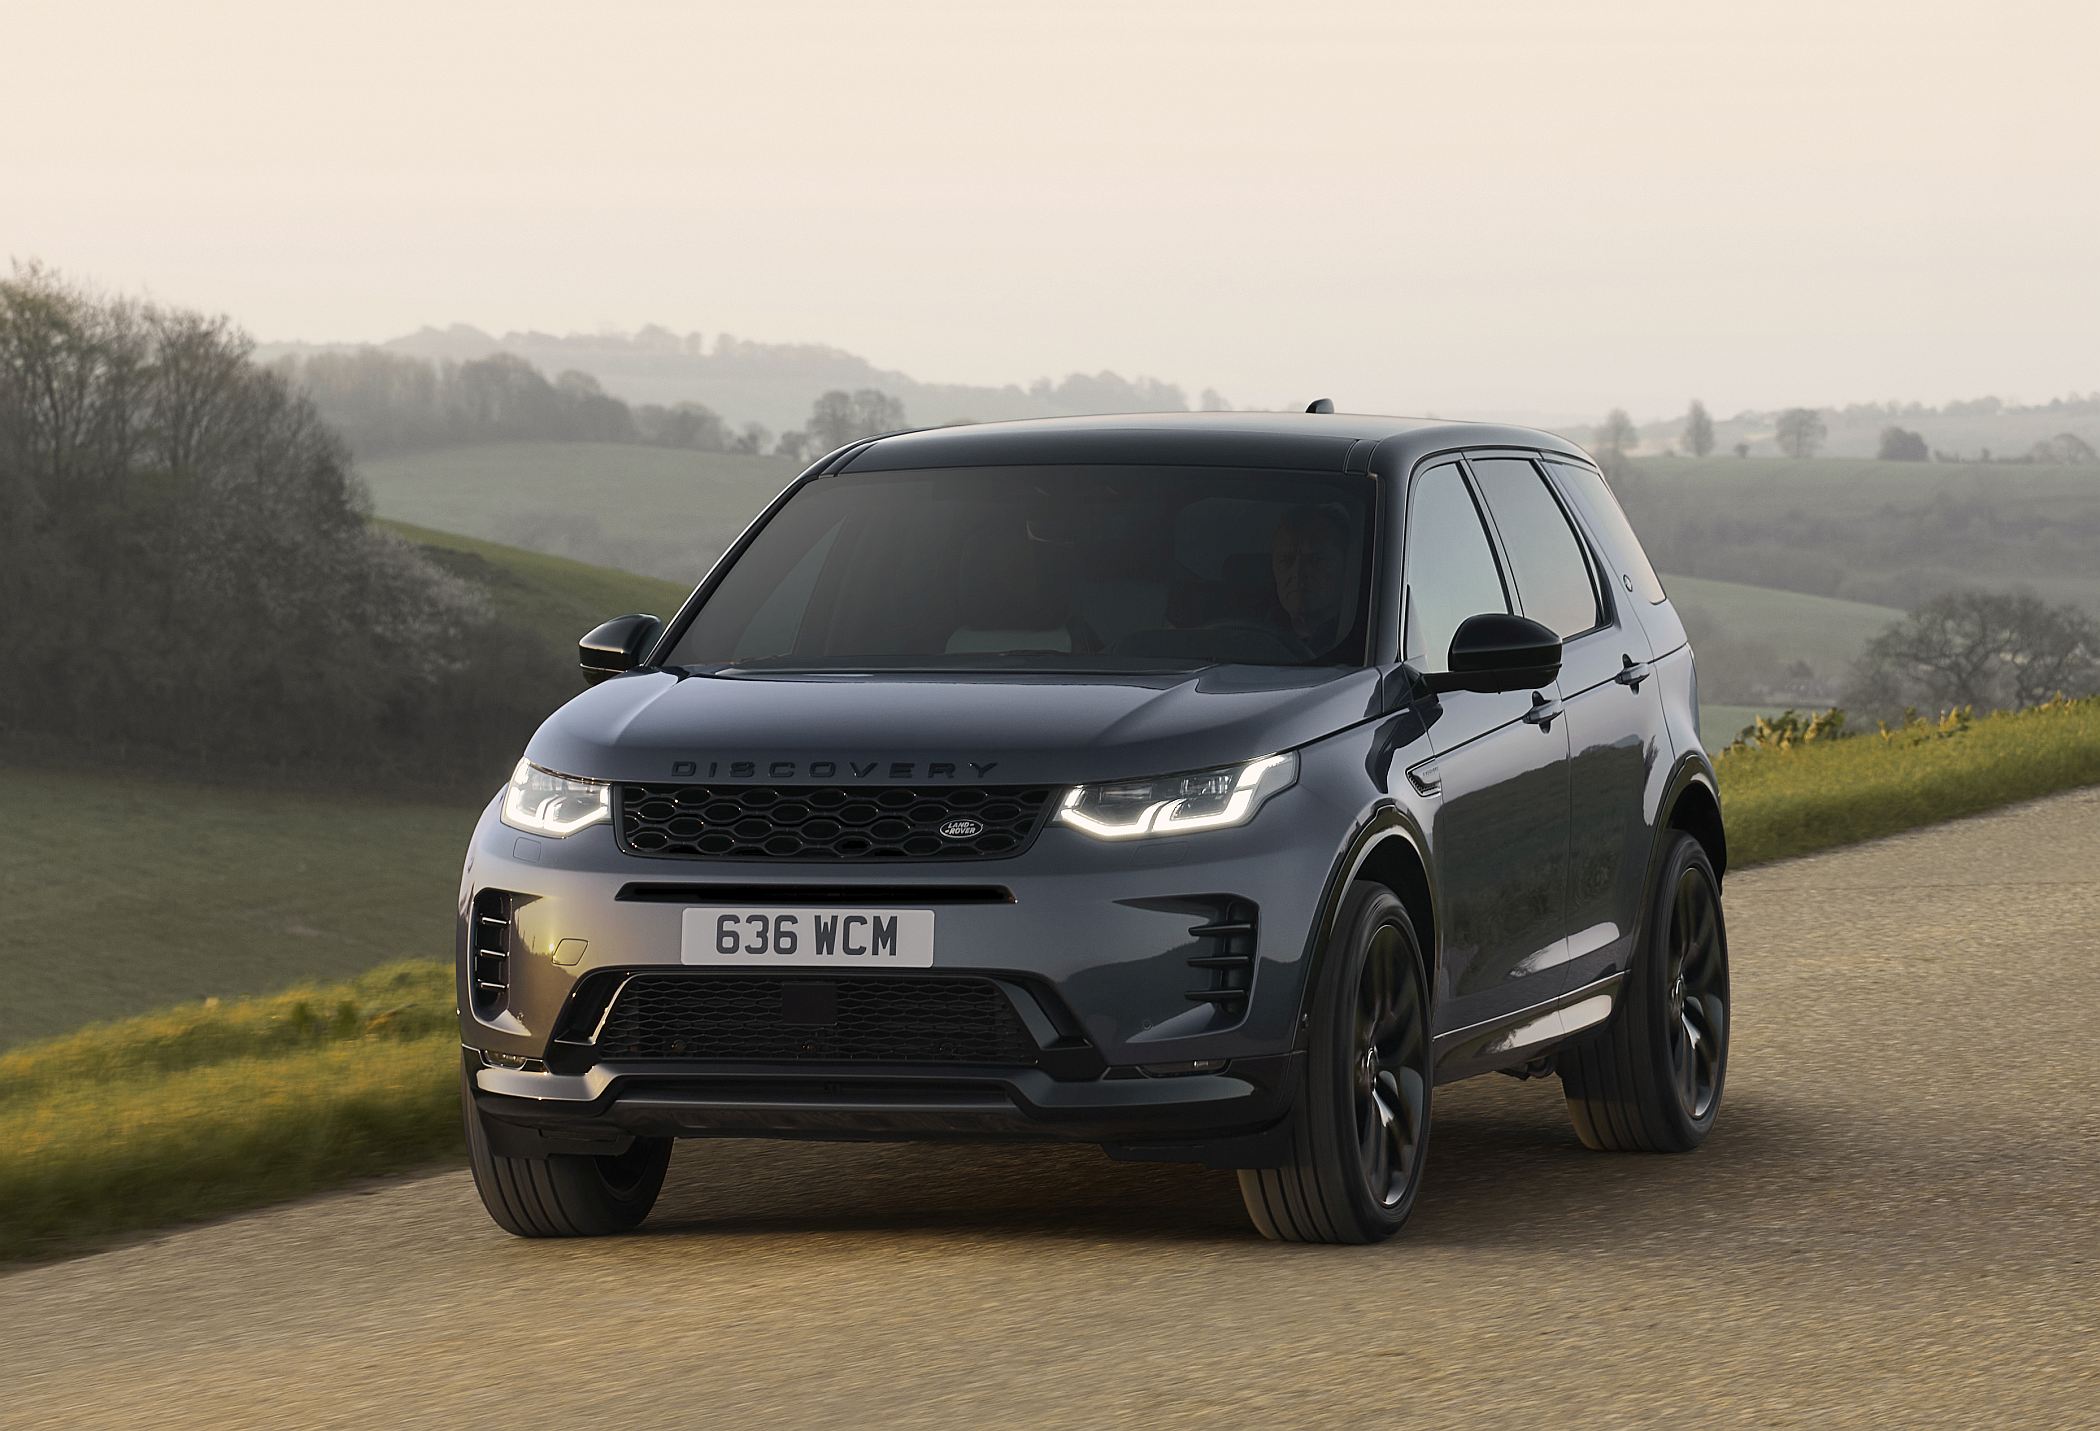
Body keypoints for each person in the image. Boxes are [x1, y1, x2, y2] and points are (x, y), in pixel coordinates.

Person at [1269, 504, 1354, 654]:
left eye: (1316, 560)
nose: (1298, 573)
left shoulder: (1366, 639)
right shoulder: (1253, 635)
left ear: (1348, 566)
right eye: (1286, 560)